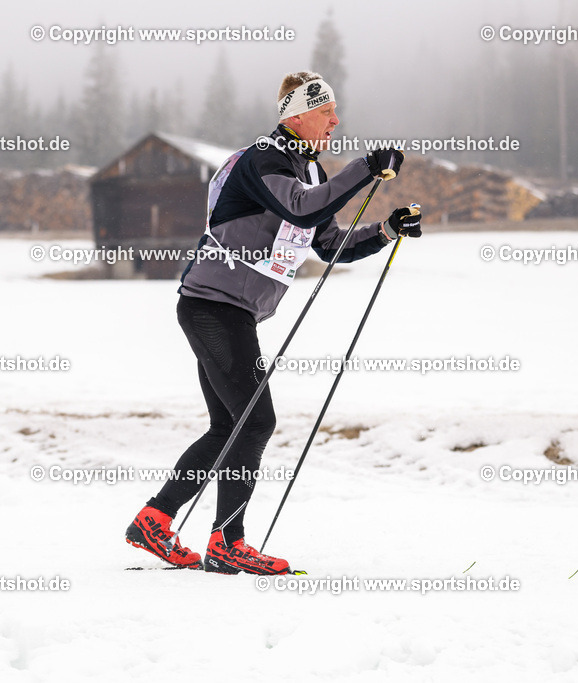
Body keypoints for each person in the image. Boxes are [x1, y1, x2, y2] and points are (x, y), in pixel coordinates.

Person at [125, 71, 422, 575]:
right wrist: (365, 168)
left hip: (232, 311)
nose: (335, 120)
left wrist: (387, 229)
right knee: (256, 420)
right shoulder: (262, 159)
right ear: (298, 115)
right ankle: (228, 542)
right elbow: (299, 212)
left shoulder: (309, 172)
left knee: (230, 426)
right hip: (212, 306)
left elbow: (326, 242)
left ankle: (155, 519)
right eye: (326, 112)